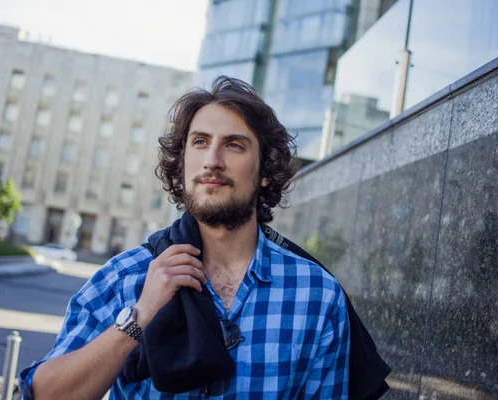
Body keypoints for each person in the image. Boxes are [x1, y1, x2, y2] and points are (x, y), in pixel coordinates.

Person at [19, 76, 350, 399]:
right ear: (183, 162)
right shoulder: (125, 277)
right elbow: (42, 394)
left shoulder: (317, 294)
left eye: (234, 145)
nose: (212, 161)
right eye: (200, 142)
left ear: (265, 171)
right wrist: (139, 317)